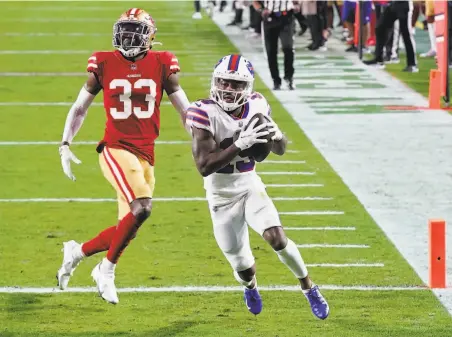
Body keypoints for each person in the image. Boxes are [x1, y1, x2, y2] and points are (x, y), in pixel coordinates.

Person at [56, 8, 191, 304]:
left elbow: (185, 109)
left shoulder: (162, 62)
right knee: (142, 208)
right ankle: (106, 270)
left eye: (136, 31)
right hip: (115, 148)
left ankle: (76, 252)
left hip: (146, 153)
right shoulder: (104, 62)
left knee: (126, 229)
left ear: (150, 37)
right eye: (125, 30)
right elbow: (79, 107)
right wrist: (65, 143)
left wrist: (201, 138)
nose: (128, 36)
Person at [186, 54, 330, 319]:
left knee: (277, 237)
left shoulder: (258, 105)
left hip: (249, 185)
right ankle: (250, 287)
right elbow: (204, 166)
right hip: (220, 195)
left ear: (247, 87)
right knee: (243, 266)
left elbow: (280, 149)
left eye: (235, 84)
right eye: (224, 82)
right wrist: (239, 144)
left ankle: (309, 287)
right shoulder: (202, 112)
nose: (228, 89)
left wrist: (276, 135)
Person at [253, 1, 298, 90]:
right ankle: (276, 80)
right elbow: (255, 1)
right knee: (271, 51)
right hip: (270, 18)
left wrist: (296, 4)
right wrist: (261, 10)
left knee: (288, 48)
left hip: (287, 16)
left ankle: (289, 77)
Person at [364, 0, 418, 72]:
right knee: (380, 27)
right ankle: (378, 59)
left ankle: (412, 64)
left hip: (404, 4)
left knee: (406, 34)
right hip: (393, 3)